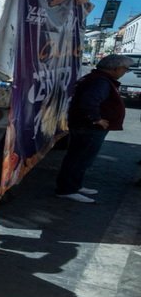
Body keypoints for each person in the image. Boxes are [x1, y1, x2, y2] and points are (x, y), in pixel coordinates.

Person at [55, 54, 132, 203]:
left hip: (86, 126)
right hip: (88, 127)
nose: (125, 72)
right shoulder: (100, 82)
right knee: (79, 158)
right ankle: (67, 189)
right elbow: (89, 102)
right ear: (115, 68)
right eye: (125, 69)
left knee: (81, 158)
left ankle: (75, 185)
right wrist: (97, 119)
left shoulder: (100, 79)